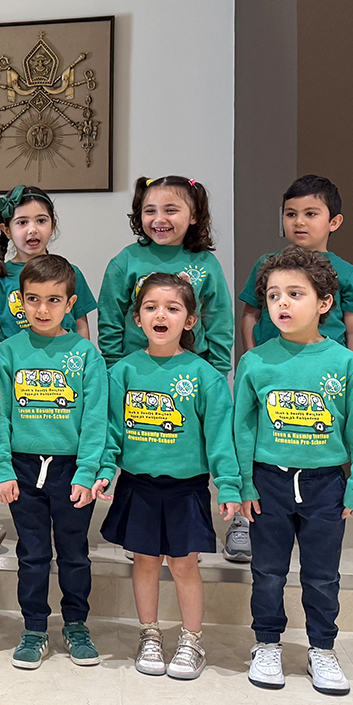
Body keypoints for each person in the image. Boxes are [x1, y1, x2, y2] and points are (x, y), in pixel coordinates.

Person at [236, 246, 353, 696]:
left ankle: (322, 648)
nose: (282, 303)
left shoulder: (346, 364)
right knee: (268, 572)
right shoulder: (255, 361)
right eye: (273, 295)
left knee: (321, 575)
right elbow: (242, 429)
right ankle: (266, 644)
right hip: (268, 483)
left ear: (324, 303)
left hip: (325, 486)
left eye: (295, 294)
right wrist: (242, 484)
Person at [95, 273, 239, 680]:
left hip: (186, 489)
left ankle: (192, 639)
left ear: (189, 320)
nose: (161, 315)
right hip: (137, 486)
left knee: (183, 565)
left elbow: (221, 439)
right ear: (137, 318)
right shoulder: (123, 372)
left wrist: (229, 485)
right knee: (144, 562)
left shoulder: (205, 376)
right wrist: (104, 470)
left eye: (173, 308)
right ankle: (150, 634)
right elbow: (110, 431)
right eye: (151, 307)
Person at [0, 255, 109, 669]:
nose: (42, 309)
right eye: (33, 299)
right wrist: (3, 469)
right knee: (33, 553)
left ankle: (76, 624)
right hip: (22, 470)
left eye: (54, 300)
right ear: (20, 301)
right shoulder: (7, 353)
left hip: (71, 472)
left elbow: (95, 421)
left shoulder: (87, 355)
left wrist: (87, 472)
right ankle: (35, 628)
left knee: (74, 553)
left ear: (71, 303)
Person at [0, 185, 99, 553]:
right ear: (6, 228)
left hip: (57, 375)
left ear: (53, 225)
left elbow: (81, 324)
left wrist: (81, 363)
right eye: (22, 222)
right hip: (12, 376)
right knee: (0, 445)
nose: (32, 229)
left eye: (41, 221)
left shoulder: (68, 272)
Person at [98, 176, 231, 374]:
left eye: (170, 210)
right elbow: (110, 318)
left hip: (193, 368)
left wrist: (219, 370)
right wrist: (113, 366)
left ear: (193, 216)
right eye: (150, 211)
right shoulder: (126, 261)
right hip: (135, 368)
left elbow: (219, 320)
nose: (159, 219)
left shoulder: (207, 264)